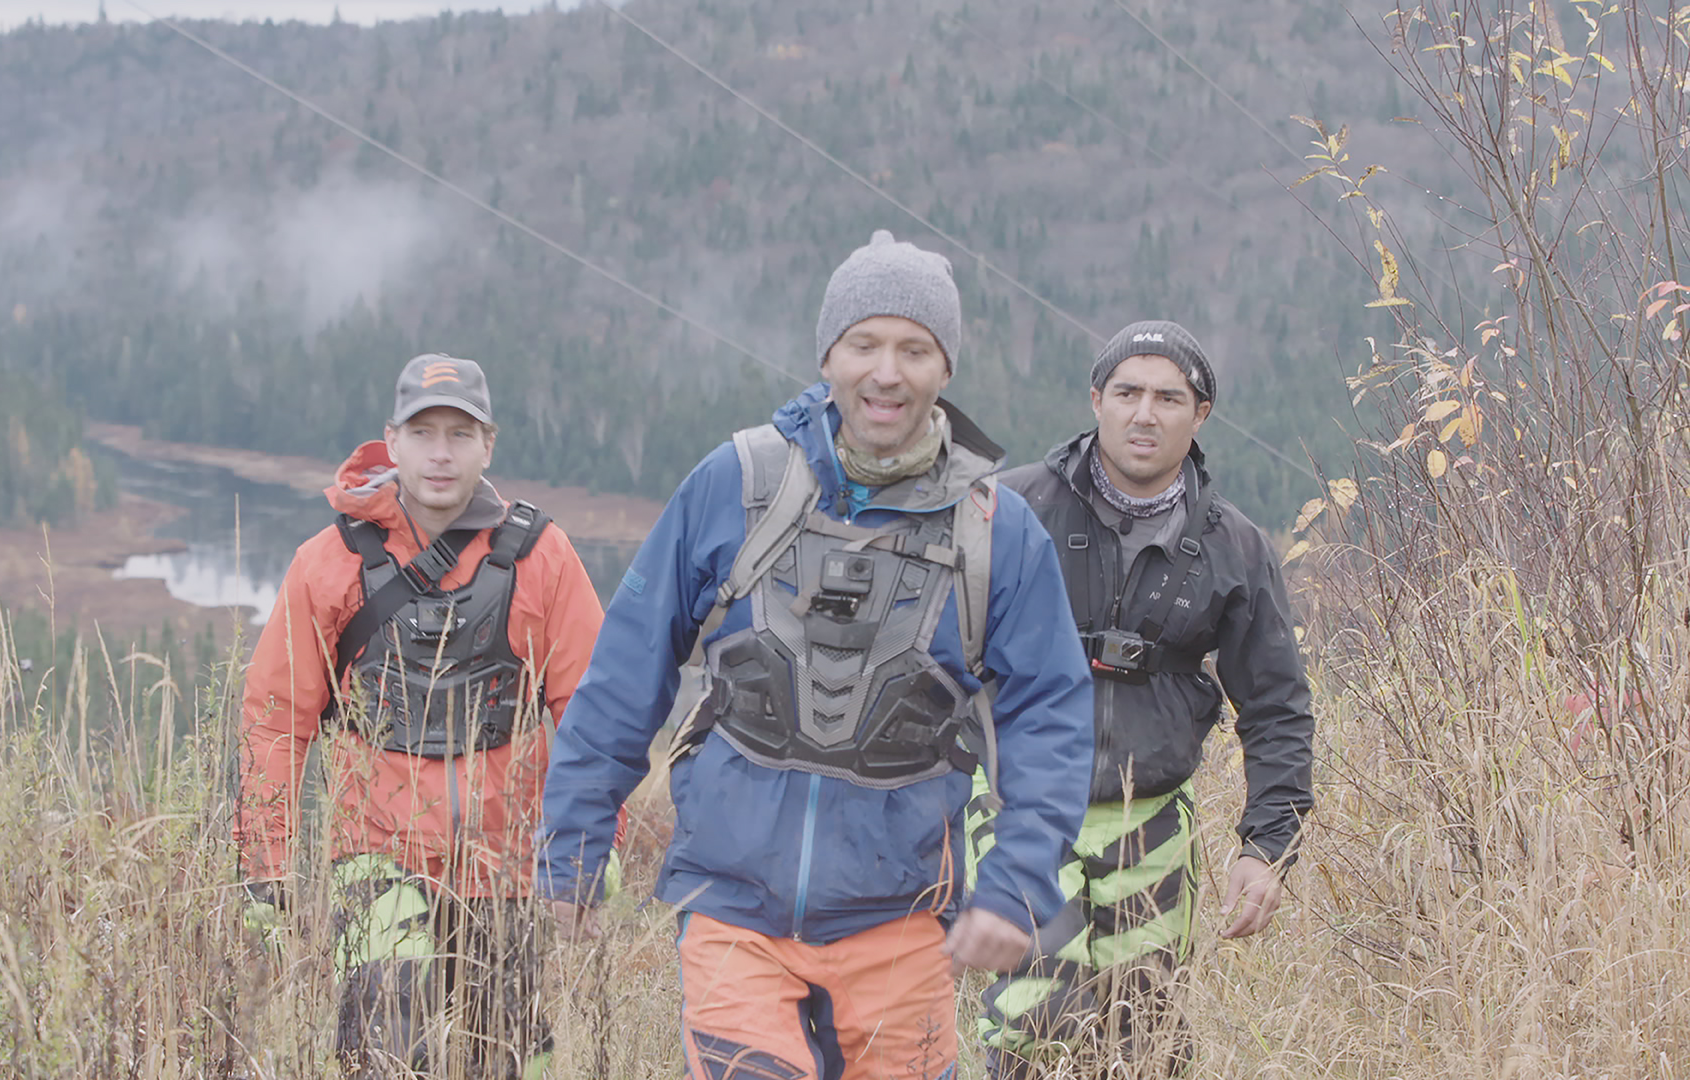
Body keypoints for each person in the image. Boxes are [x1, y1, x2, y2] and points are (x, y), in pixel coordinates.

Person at [535, 230, 1096, 1080]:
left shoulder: (994, 531)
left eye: (915, 348)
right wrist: (573, 841)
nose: (886, 372)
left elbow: (1051, 716)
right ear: (827, 354)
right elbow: (625, 675)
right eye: (864, 343)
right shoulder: (736, 485)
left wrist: (1018, 883)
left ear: (946, 369)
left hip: (904, 927)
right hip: (733, 912)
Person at [236, 353, 603, 1080]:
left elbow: (594, 712)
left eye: (460, 434)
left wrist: (589, 849)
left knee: (502, 1062)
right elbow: (276, 718)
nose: (441, 453)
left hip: (501, 863)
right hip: (375, 852)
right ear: (391, 440)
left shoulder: (542, 557)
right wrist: (266, 867)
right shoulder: (329, 563)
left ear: (488, 444)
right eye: (424, 432)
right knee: (385, 1052)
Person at [978, 320, 1316, 1077]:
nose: (1144, 412)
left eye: (1169, 397)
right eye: (1127, 392)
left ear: (1199, 417)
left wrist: (1267, 847)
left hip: (1151, 807)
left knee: (1142, 1030)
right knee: (1042, 1013)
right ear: (1096, 399)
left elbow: (1277, 706)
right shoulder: (1009, 510)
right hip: (1018, 797)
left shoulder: (1233, 545)